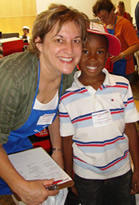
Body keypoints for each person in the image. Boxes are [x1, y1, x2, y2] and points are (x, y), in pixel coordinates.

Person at [0, 3, 89, 205]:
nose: (70, 49)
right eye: (59, 40)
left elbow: (54, 111)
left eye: (76, 41)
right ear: (39, 42)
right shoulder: (13, 79)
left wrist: (57, 150)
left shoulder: (66, 74)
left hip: (17, 147)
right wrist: (20, 186)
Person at [59, 23, 139, 205]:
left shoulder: (121, 86)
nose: (93, 59)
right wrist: (70, 177)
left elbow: (131, 128)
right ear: (77, 52)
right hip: (86, 175)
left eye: (100, 52)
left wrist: (138, 169)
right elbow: (67, 140)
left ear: (109, 54)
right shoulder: (67, 95)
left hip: (121, 170)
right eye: (86, 51)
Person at [92, 0, 139, 83]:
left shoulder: (124, 24)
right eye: (100, 18)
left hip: (125, 68)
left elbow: (136, 45)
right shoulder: (104, 26)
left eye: (105, 17)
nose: (103, 20)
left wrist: (121, 55)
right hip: (111, 68)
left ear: (112, 11)